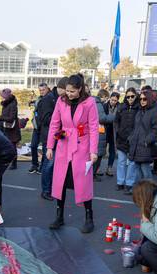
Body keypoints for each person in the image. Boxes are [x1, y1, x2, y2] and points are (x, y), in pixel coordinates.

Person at [46, 74, 99, 233]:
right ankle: (59, 216)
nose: (68, 94)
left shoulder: (89, 102)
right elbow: (54, 124)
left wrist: (93, 151)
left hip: (82, 146)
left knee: (83, 183)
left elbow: (94, 127)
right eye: (67, 91)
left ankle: (89, 218)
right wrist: (50, 146)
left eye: (72, 91)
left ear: (80, 89)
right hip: (64, 143)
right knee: (60, 181)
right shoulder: (61, 102)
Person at [124, 89, 157, 195]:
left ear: (149, 99)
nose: (142, 101)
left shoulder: (155, 111)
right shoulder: (140, 111)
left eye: (144, 99)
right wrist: (131, 138)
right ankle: (141, 191)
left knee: (145, 171)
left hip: (146, 146)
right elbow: (136, 127)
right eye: (140, 99)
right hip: (136, 144)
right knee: (138, 170)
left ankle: (152, 191)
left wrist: (147, 140)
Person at [39, 81, 60, 200]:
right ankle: (46, 190)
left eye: (43, 90)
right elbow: (45, 119)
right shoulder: (48, 99)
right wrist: (58, 117)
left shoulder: (54, 98)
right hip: (49, 136)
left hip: (56, 135)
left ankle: (50, 189)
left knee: (52, 165)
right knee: (49, 164)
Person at [114, 87, 139, 192]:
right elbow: (116, 121)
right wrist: (118, 131)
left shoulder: (139, 108)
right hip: (121, 138)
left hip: (133, 139)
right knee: (121, 162)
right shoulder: (121, 107)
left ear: (136, 96)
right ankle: (120, 182)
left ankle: (129, 183)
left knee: (132, 163)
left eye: (132, 96)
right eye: (128, 96)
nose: (130, 98)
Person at [0, 88, 21, 170]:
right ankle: (8, 161)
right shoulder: (6, 103)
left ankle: (14, 163)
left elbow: (11, 118)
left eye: (2, 96)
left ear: (6, 97)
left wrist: (0, 118)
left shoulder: (12, 105)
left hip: (12, 129)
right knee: (8, 146)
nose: (1, 98)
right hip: (7, 127)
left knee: (12, 146)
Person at [92, 89, 115, 180]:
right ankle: (93, 174)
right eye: (107, 98)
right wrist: (114, 117)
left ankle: (93, 173)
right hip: (98, 132)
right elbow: (102, 118)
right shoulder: (98, 104)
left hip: (97, 131)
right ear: (104, 97)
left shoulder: (94, 102)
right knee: (98, 154)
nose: (107, 100)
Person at [29, 83, 51, 174]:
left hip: (44, 128)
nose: (41, 92)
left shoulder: (49, 99)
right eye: (40, 90)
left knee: (45, 149)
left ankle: (42, 166)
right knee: (33, 145)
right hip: (36, 127)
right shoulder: (39, 99)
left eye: (43, 90)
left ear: (47, 89)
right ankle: (34, 164)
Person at [102, 91, 120, 177]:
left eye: (115, 100)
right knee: (102, 149)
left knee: (112, 150)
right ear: (109, 98)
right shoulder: (104, 106)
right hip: (105, 130)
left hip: (114, 131)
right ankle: (97, 167)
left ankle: (109, 168)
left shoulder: (120, 107)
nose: (113, 102)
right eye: (112, 100)